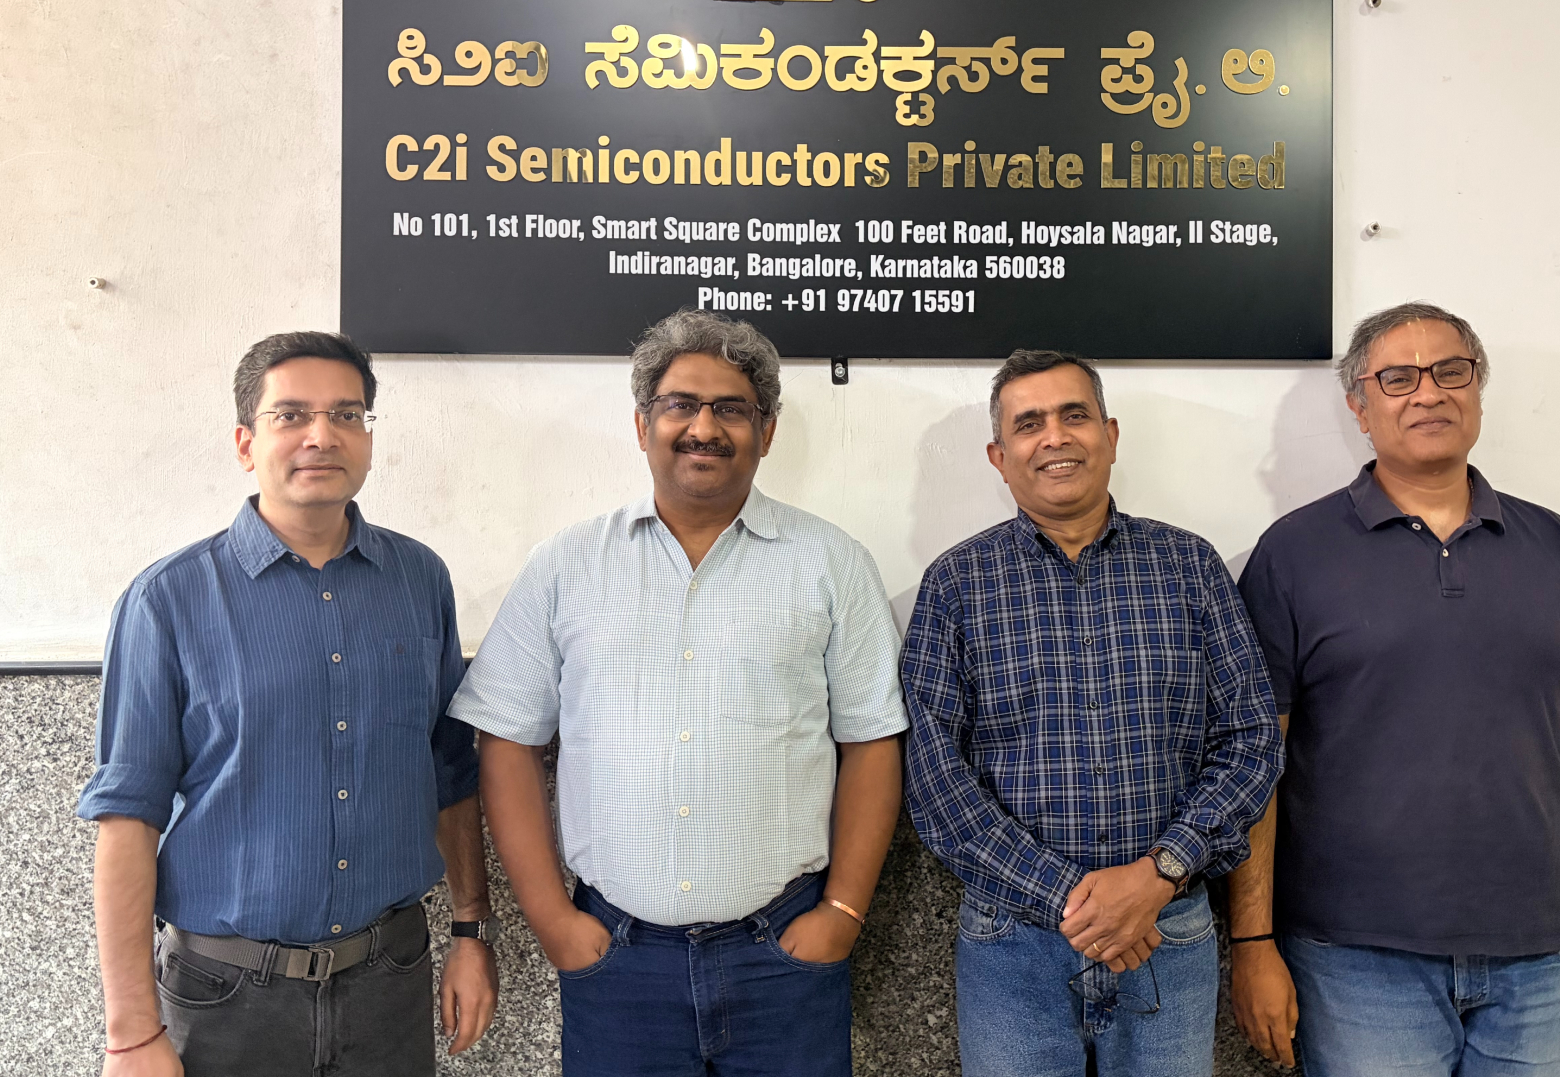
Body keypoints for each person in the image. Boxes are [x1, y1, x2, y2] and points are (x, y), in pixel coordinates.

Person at [448, 309, 908, 1077]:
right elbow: (506, 740)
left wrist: (842, 913)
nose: (704, 427)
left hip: (784, 956)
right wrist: (553, 920)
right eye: (681, 405)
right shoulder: (566, 565)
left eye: (732, 409)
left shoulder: (833, 564)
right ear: (642, 425)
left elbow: (872, 741)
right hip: (617, 962)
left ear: (766, 430)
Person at [1228, 301, 1560, 1077]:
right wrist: (1253, 942)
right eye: (1397, 378)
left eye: (1450, 371)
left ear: (1478, 391)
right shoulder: (1292, 555)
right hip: (1355, 962)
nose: (1428, 392)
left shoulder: (1559, 547)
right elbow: (1257, 765)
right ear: (1360, 407)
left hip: (1543, 960)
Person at [78, 331, 498, 1077]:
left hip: (390, 980)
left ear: (368, 438)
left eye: (347, 415)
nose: (322, 436)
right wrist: (132, 1032)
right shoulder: (168, 600)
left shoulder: (419, 580)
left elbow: (450, 768)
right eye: (292, 415)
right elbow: (127, 817)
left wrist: (471, 931)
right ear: (246, 443)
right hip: (226, 996)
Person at [901, 349, 1284, 1077]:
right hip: (1012, 942)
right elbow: (935, 779)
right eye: (1029, 423)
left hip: (1168, 930)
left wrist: (1158, 874)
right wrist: (1075, 902)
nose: (1055, 436)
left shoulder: (1190, 568)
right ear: (999, 456)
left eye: (1074, 415)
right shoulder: (956, 584)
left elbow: (1251, 741)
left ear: (1109, 436)